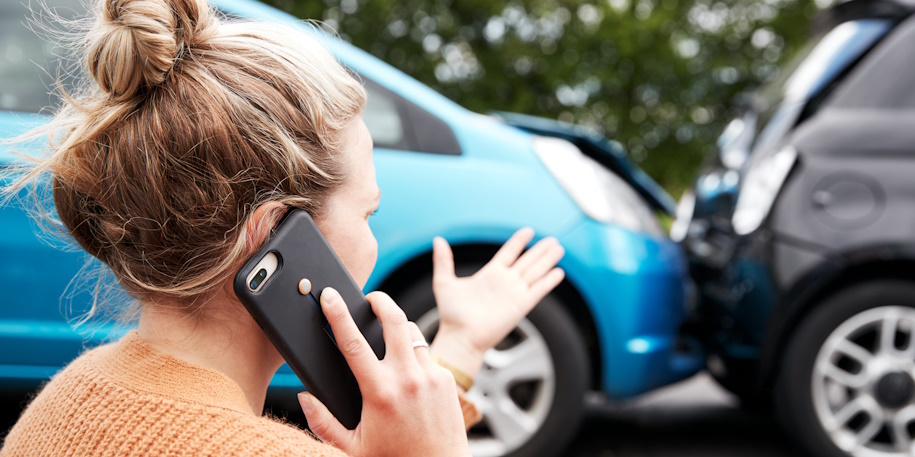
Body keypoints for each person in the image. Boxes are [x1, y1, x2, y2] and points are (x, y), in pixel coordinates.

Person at [0, 0, 567, 456]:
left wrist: (461, 347)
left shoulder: (71, 396)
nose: (372, 235)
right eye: (367, 213)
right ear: (272, 236)